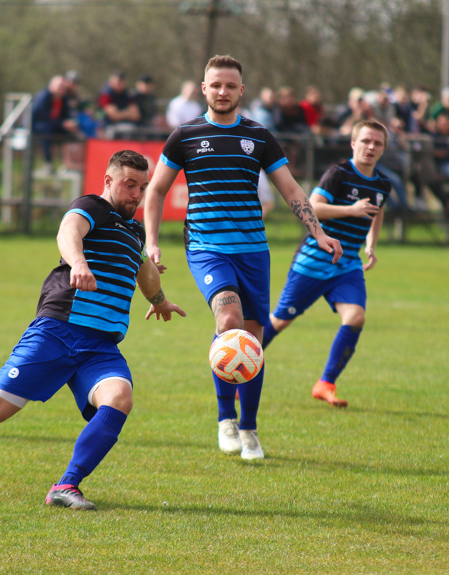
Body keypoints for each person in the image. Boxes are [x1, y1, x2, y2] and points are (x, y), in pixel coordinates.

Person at [143, 55, 342, 460]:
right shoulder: (184, 135)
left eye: (230, 86)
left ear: (241, 91)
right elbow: (157, 190)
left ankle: (249, 428)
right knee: (229, 321)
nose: (222, 91)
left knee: (253, 340)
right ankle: (224, 418)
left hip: (253, 252)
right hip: (206, 249)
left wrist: (317, 231)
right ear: (204, 88)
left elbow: (290, 189)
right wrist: (151, 241)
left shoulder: (259, 136)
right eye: (215, 84)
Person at [0, 150, 185, 511]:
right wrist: (79, 263)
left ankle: (66, 485)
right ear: (109, 181)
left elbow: (143, 268)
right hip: (59, 330)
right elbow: (68, 232)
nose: (136, 195)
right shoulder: (92, 207)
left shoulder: (133, 229)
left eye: (143, 188)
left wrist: (159, 300)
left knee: (119, 399)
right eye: (130, 185)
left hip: (100, 346)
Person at [262, 120, 390, 408]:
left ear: (383, 149)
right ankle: (239, 370)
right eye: (366, 141)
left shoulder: (383, 184)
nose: (371, 147)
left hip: (347, 265)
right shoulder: (338, 174)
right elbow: (312, 207)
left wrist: (371, 244)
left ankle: (326, 383)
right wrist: (351, 210)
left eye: (377, 143)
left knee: (355, 317)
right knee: (280, 320)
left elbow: (377, 212)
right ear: (353, 143)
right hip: (312, 262)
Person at [97, 70, 140, 136]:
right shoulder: (106, 95)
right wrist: (128, 113)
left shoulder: (127, 94)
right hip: (108, 127)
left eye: (121, 81)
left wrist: (120, 113)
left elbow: (136, 115)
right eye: (117, 81)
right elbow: (114, 116)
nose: (119, 83)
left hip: (127, 125)